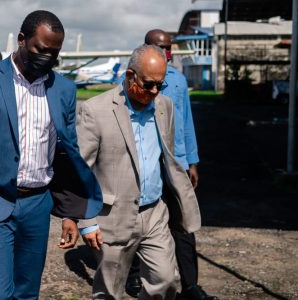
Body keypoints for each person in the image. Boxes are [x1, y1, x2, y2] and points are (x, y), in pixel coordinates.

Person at [0, 10, 102, 299]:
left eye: (54, 53)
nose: (47, 58)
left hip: (38, 203)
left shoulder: (63, 89)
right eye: (40, 49)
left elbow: (66, 155)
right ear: (22, 39)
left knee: (27, 292)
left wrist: (69, 214)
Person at [76, 44, 201, 300]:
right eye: (148, 84)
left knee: (166, 281)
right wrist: (85, 222)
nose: (154, 91)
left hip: (154, 213)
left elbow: (166, 157)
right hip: (112, 216)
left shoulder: (164, 107)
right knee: (109, 291)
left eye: (160, 84)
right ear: (130, 75)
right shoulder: (96, 110)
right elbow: (80, 170)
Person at [125, 29, 217, 300]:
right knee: (136, 220)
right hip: (145, 164)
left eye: (169, 47)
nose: (167, 52)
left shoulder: (177, 81)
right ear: (146, 48)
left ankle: (190, 285)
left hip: (175, 164)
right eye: (160, 47)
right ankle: (132, 276)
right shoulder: (131, 79)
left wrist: (193, 161)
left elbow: (186, 122)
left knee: (183, 225)